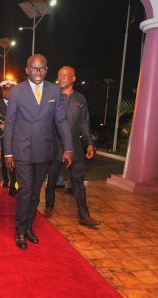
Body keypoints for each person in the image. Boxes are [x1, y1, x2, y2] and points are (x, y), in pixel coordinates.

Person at [4, 54, 74, 250]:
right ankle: (19, 230)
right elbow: (10, 122)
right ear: (27, 70)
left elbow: (61, 121)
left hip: (44, 150)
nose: (38, 72)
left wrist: (68, 147)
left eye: (41, 68)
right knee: (25, 190)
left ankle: (28, 227)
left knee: (35, 192)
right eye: (34, 68)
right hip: (22, 149)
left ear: (46, 69)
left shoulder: (54, 90)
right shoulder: (17, 91)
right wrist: (8, 152)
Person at [45, 66, 101, 226]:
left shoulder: (80, 99)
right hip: (55, 146)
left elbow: (84, 122)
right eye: (59, 75)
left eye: (65, 75)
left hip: (75, 146)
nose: (62, 78)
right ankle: (49, 206)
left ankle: (84, 215)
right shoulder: (52, 96)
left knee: (78, 181)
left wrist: (89, 143)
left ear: (73, 78)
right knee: (52, 179)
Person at [0, 80, 17, 196]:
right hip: (3, 137)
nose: (7, 92)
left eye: (10, 90)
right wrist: (3, 126)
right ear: (2, 91)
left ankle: (13, 185)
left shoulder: (18, 103)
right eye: (5, 90)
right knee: (4, 162)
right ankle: (6, 180)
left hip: (16, 138)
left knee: (14, 162)